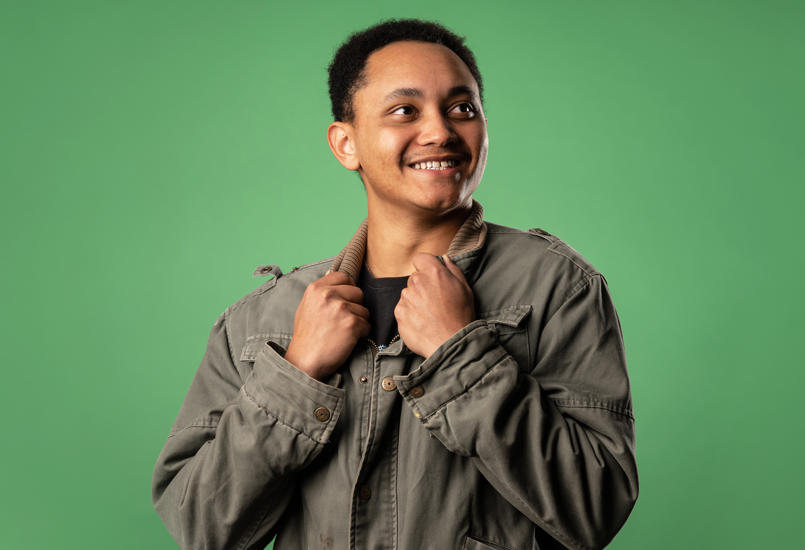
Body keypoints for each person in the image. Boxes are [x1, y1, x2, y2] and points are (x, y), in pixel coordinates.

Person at [152, 18, 637, 550]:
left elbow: (596, 509)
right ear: (346, 144)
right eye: (405, 110)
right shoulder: (259, 321)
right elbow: (198, 527)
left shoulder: (557, 288)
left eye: (463, 108)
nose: (441, 132)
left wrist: (460, 356)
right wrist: (297, 374)